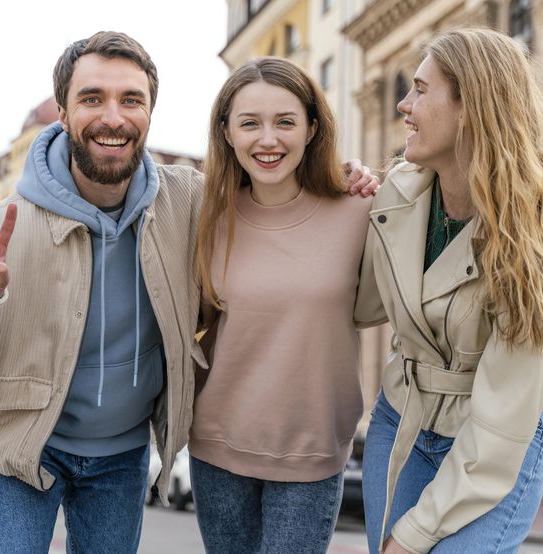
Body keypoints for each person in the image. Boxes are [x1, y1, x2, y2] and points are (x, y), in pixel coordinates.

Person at [0, 31, 376, 553]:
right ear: (63, 112)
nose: (113, 117)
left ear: (150, 113)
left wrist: (346, 178)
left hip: (122, 455)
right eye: (92, 98)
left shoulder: (189, 202)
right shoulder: (4, 230)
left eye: (131, 100)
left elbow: (271, 203)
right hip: (19, 450)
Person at [355, 28, 543, 553]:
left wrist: (412, 536)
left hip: (495, 442)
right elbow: (360, 305)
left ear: (471, 108)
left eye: (420, 90)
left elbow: (499, 427)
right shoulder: (395, 191)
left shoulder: (536, 234)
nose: (404, 104)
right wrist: (340, 210)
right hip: (400, 423)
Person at [189, 57, 375, 554]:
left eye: (285, 122)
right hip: (217, 448)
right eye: (249, 123)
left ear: (313, 128)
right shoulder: (207, 216)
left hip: (311, 456)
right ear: (226, 132)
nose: (267, 140)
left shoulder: (360, 209)